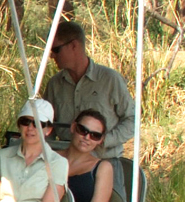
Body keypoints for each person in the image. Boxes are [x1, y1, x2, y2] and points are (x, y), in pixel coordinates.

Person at [43, 21, 136, 158]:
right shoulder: (54, 84)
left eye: (56, 50)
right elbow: (47, 125)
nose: (52, 56)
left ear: (74, 45)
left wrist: (103, 140)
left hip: (105, 161)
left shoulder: (110, 79)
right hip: (65, 163)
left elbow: (132, 119)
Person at [59, 108, 114, 202]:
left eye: (95, 135)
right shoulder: (51, 157)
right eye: (82, 130)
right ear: (73, 127)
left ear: (100, 140)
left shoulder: (102, 167)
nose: (87, 137)